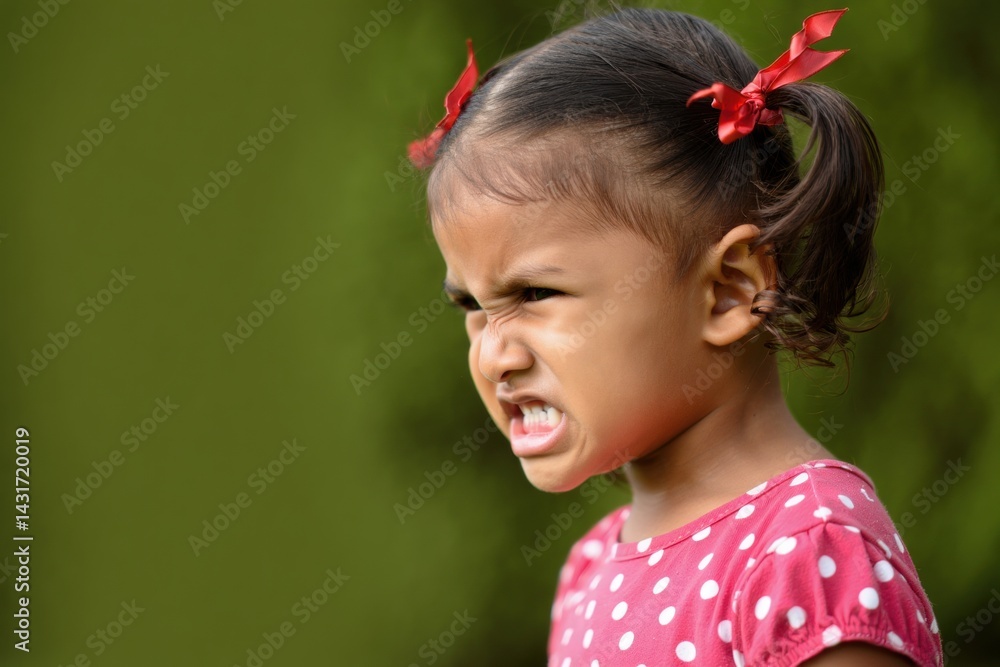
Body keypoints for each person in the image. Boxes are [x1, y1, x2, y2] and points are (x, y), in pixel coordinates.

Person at [406, 6, 942, 666]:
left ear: (729, 290)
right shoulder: (592, 566)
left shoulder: (808, 551)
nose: (493, 352)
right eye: (473, 306)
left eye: (535, 294)